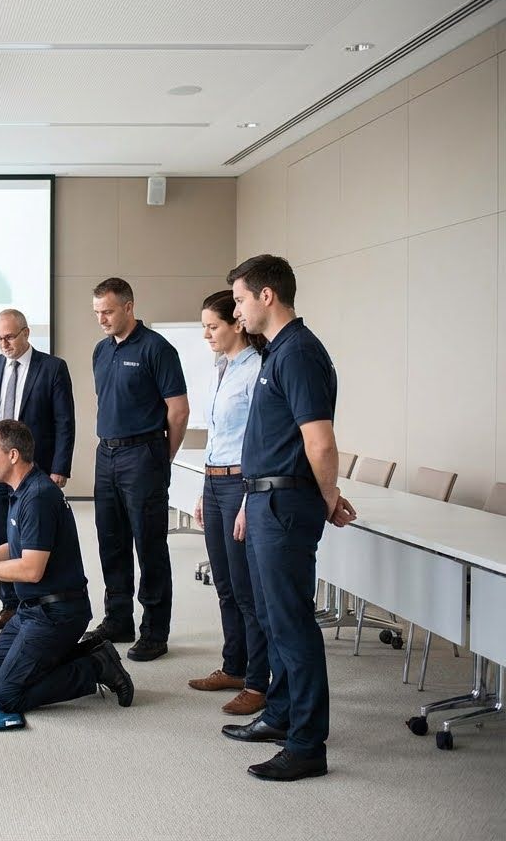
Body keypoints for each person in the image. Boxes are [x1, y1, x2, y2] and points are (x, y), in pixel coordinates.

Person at [220, 254, 355, 782]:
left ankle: (307, 744)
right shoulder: (276, 353)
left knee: (293, 624)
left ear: (267, 296)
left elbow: (319, 442)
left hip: (287, 504)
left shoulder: (297, 353)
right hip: (268, 500)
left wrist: (326, 496)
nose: (236, 310)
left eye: (239, 299)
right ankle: (280, 714)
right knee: (275, 619)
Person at [0, 419, 134, 712]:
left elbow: (30, 569)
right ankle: (85, 654)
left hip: (57, 614)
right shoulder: (22, 490)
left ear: (13, 455)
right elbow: (15, 548)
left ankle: (95, 666)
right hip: (33, 609)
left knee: (7, 696)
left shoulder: (38, 497)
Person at [84, 277, 189, 662]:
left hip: (143, 454)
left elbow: (178, 411)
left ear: (129, 307)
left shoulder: (158, 349)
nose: (102, 319)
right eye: (97, 313)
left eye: (108, 311)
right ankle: (118, 619)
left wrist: (162, 457)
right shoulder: (100, 350)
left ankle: (154, 631)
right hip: (106, 453)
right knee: (110, 542)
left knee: (149, 545)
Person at [0, 308, 75, 631]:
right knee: (3, 536)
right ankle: (9, 605)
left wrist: (60, 467)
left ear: (27, 333)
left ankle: (33, 600)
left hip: (34, 471)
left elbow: (64, 421)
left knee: (32, 538)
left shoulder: (53, 368)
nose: (4, 343)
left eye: (10, 336)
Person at [189, 290, 268, 716]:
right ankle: (233, 666)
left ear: (237, 323)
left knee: (245, 590)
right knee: (224, 585)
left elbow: (258, 441)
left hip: (242, 483)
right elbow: (216, 436)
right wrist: (204, 489)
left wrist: (245, 499)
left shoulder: (257, 370)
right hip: (216, 482)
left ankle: (258, 682)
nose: (206, 335)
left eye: (212, 326)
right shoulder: (221, 369)